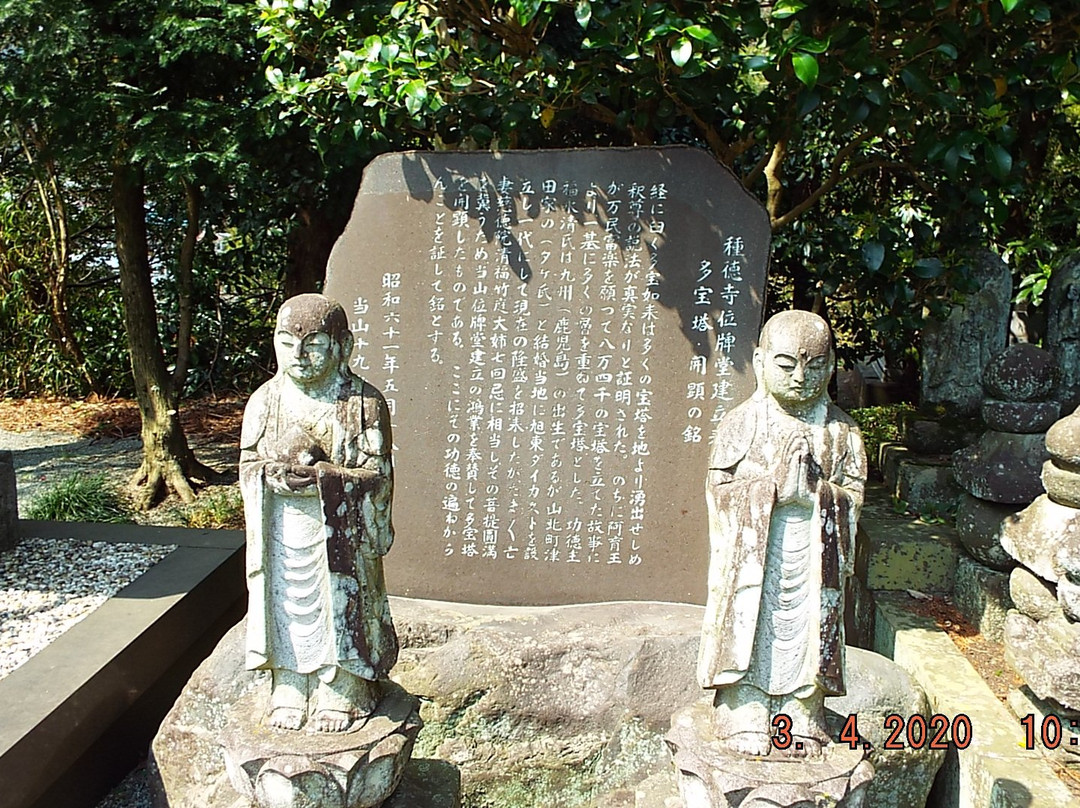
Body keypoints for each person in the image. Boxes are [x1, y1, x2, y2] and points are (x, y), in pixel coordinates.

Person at [696, 310, 866, 757]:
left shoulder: (842, 431)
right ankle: (743, 707)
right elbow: (719, 491)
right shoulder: (742, 422)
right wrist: (769, 488)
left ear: (831, 367)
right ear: (760, 362)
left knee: (810, 630)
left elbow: (854, 496)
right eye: (786, 365)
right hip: (756, 555)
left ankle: (802, 710)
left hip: (814, 556)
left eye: (815, 366)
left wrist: (817, 495)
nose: (800, 377)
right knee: (750, 623)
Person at [239, 293, 398, 732]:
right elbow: (248, 465)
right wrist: (269, 477)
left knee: (341, 602)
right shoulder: (264, 401)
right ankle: (289, 683)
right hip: (282, 529)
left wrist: (327, 478)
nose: (299, 356)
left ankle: (345, 689)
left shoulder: (363, 403)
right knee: (284, 605)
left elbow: (378, 477)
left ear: (342, 346)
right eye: (287, 343)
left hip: (341, 534)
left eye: (313, 345)